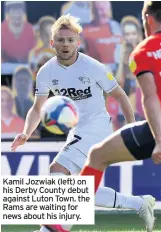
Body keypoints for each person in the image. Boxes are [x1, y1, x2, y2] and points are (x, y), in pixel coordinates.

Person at [11, 15, 154, 232]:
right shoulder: (46, 72)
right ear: (52, 43)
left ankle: (48, 229)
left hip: (97, 125)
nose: (65, 44)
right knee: (83, 190)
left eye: (70, 40)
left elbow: (121, 95)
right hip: (77, 130)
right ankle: (139, 203)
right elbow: (38, 108)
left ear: (78, 42)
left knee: (57, 169)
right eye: (60, 40)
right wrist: (26, 132)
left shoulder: (93, 66)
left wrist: (130, 125)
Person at [80, 2, 161, 232]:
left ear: (147, 19)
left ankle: (56, 227)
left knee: (96, 156)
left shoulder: (145, 51)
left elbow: (150, 98)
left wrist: (159, 140)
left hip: (157, 126)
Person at [82, 1, 123, 74]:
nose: (103, 10)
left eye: (105, 5)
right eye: (99, 6)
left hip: (117, 72)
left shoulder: (116, 26)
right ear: (93, 8)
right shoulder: (85, 29)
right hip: (95, 72)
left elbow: (122, 51)